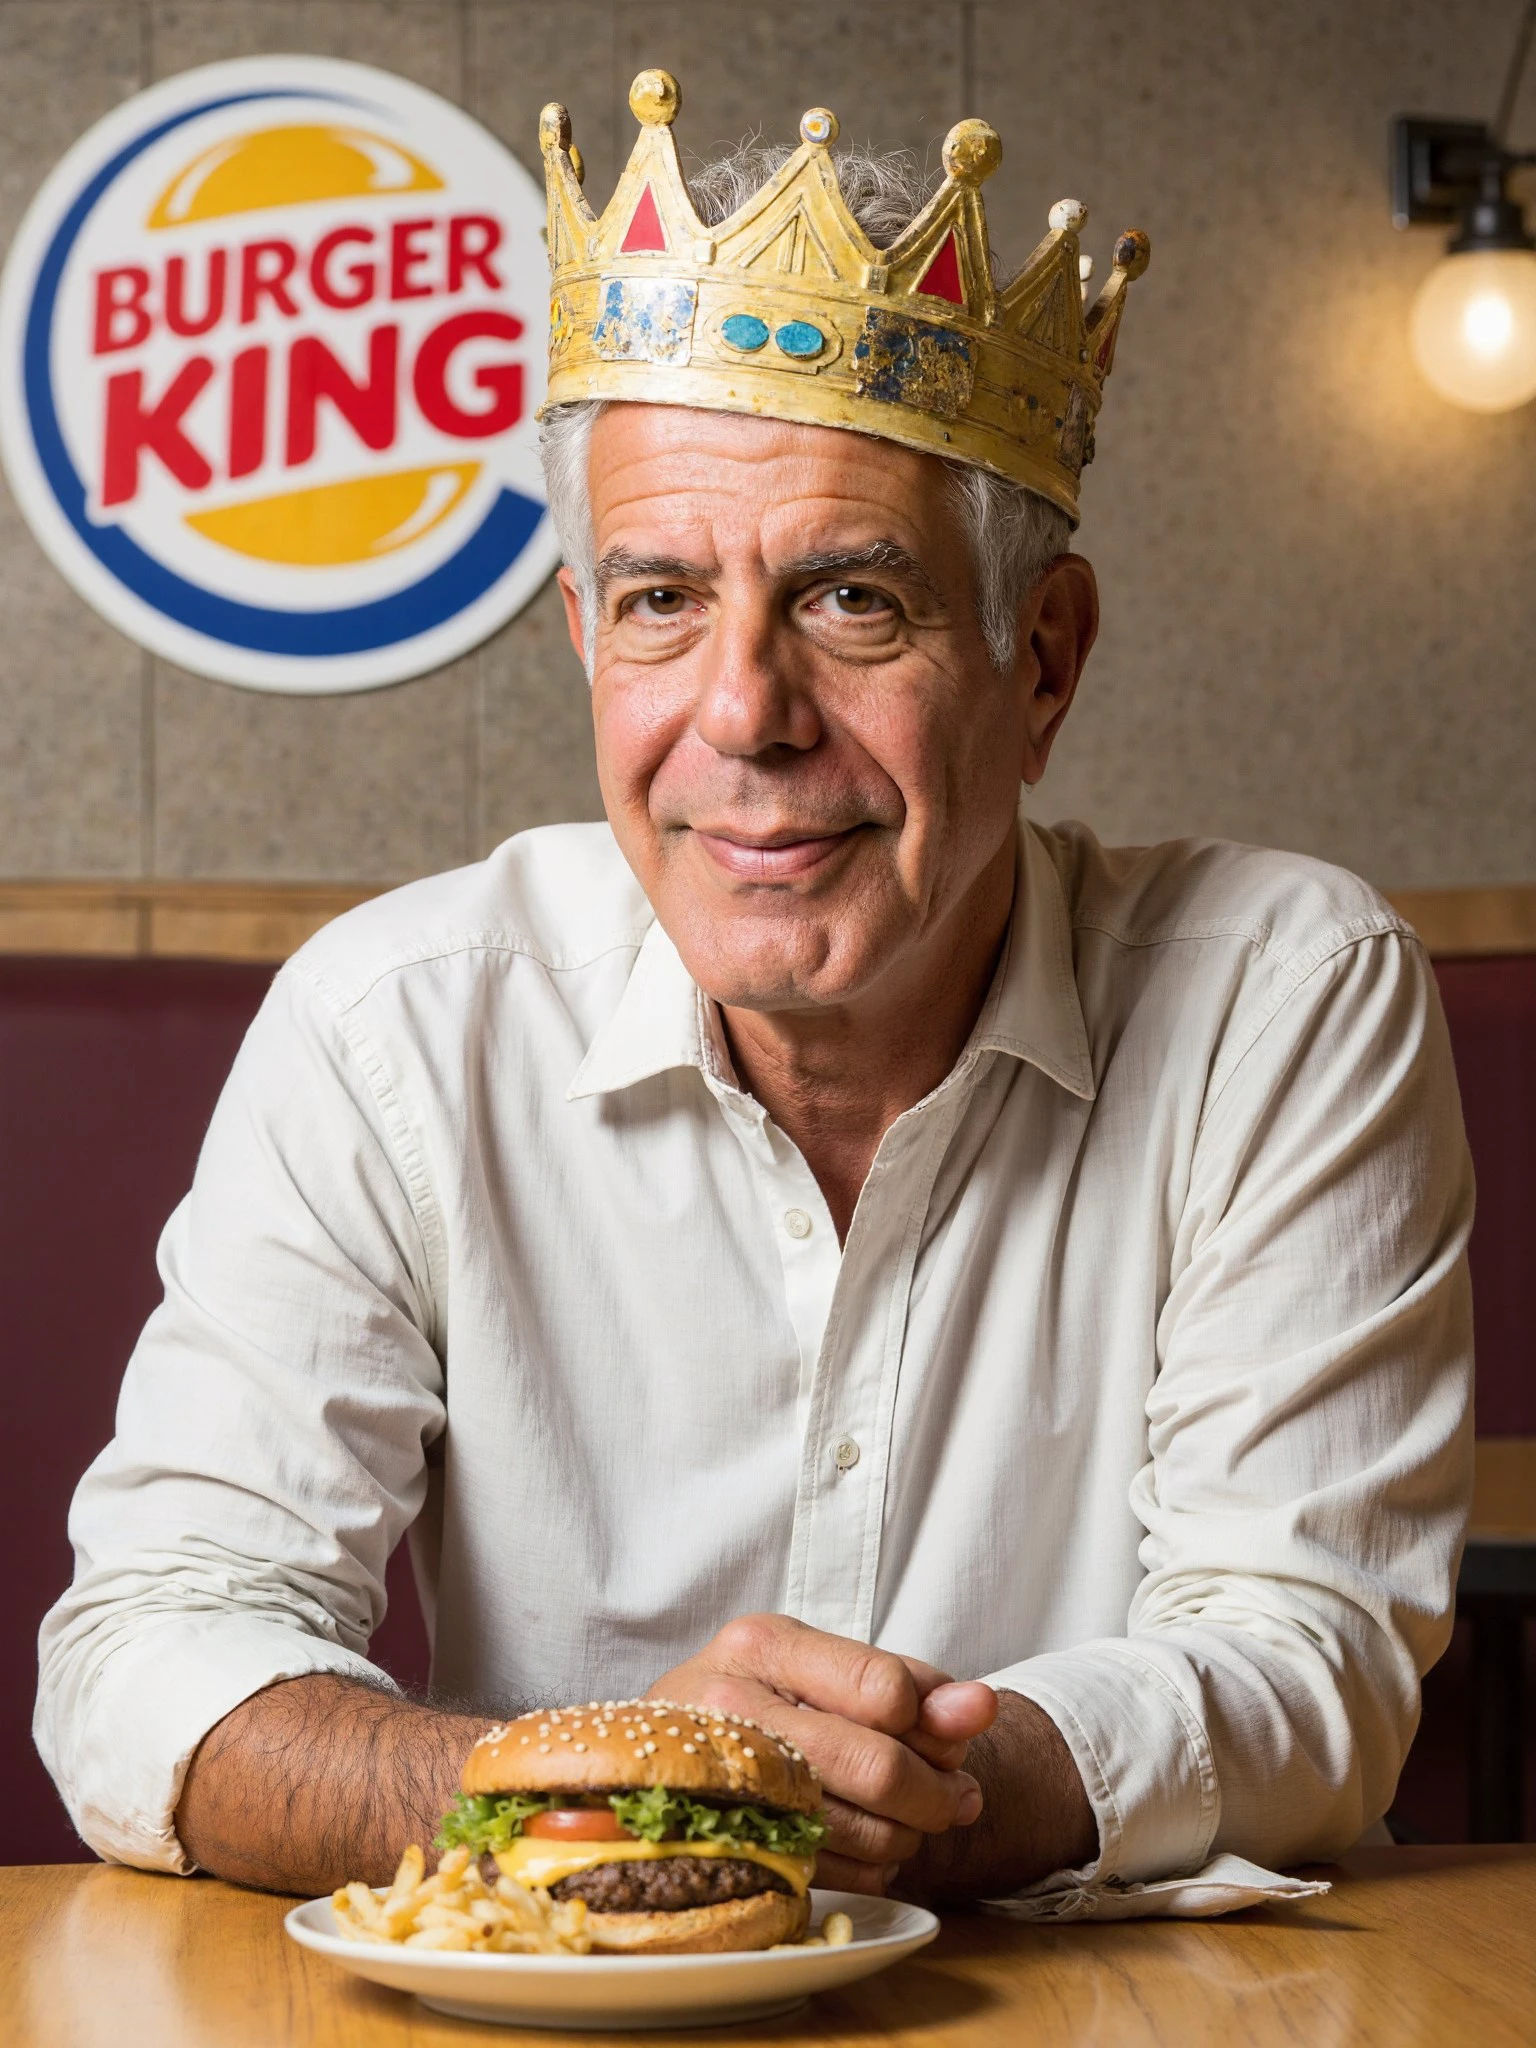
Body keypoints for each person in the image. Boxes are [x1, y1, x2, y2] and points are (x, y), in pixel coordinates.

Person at [36, 74, 1472, 1908]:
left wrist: (881, 1798)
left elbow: (1306, 1656)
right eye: (657, 603)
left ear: (1043, 663)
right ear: (582, 640)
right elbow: (146, 1663)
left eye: (852, 600)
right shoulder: (388, 1026)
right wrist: (609, 1786)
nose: (741, 715)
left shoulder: (1288, 997)